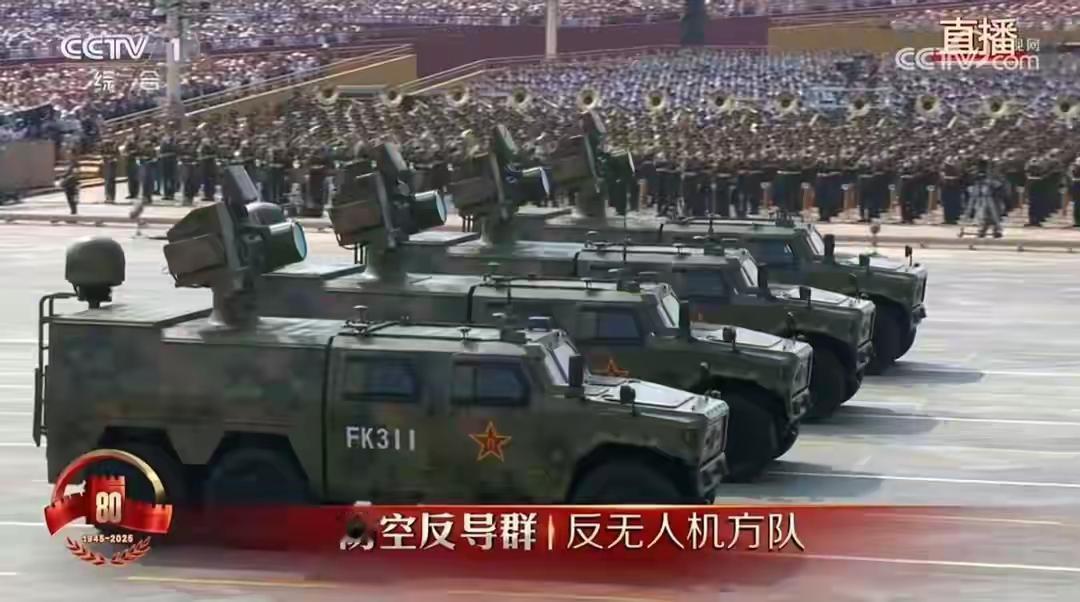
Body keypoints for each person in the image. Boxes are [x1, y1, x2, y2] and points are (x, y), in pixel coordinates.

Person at [965, 158, 1005, 238]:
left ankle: (996, 229)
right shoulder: (978, 173)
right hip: (983, 196)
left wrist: (991, 183)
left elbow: (1000, 184)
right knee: (983, 213)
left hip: (994, 196)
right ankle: (983, 228)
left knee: (995, 213)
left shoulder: (995, 174)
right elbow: (971, 181)